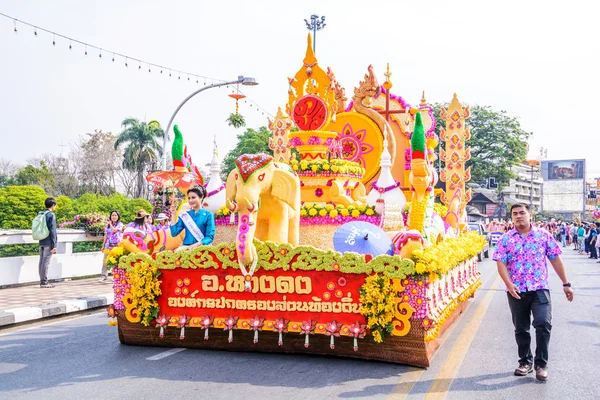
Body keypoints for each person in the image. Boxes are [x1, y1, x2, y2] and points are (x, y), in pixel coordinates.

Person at [493, 203, 574, 382]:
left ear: (530, 215)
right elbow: (500, 263)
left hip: (540, 289)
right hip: (517, 291)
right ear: (511, 217)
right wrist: (508, 283)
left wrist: (566, 283)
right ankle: (525, 362)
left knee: (543, 323)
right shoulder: (505, 239)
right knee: (521, 328)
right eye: (515, 214)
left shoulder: (543, 235)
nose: (519, 216)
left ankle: (541, 365)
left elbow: (555, 260)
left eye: (522, 213)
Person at [38, 197, 58, 288]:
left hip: (41, 240)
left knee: (41, 261)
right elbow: (53, 230)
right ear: (53, 205)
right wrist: (54, 244)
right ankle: (44, 282)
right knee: (46, 262)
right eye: (55, 205)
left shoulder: (40, 213)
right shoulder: (51, 215)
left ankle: (42, 281)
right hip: (48, 242)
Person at [100, 210, 123, 282]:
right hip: (108, 244)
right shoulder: (107, 225)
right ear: (110, 216)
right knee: (105, 260)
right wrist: (103, 245)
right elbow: (106, 235)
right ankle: (103, 276)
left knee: (116, 261)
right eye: (112, 215)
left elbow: (114, 230)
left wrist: (110, 224)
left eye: (115, 215)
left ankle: (116, 276)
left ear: (118, 216)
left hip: (116, 245)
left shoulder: (120, 224)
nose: (114, 217)